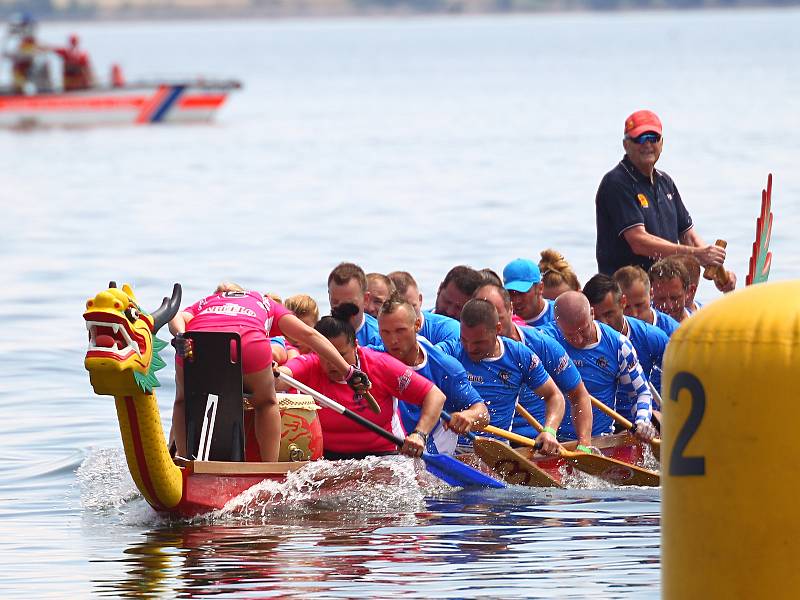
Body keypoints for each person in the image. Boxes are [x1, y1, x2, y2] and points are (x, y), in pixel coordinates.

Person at [168, 283, 371, 462]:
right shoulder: (266, 303)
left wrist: (180, 335)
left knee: (184, 400)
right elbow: (310, 335)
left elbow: (175, 314)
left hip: (195, 344)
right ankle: (268, 472)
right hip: (247, 346)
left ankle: (185, 463)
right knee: (265, 403)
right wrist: (348, 371)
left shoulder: (205, 302)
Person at [595, 109, 736, 293]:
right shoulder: (616, 183)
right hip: (626, 295)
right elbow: (639, 241)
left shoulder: (665, 182)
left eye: (653, 138)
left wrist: (718, 272)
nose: (647, 144)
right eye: (640, 138)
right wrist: (699, 255)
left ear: (662, 143)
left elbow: (690, 237)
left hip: (664, 292)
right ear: (626, 145)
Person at [277, 315, 446, 460]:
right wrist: (268, 370)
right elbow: (279, 379)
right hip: (327, 458)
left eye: (340, 355)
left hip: (384, 455)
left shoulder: (380, 365)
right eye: (325, 355)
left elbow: (435, 396)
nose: (332, 363)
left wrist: (420, 434)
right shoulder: (309, 364)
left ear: (356, 346)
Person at [472, 282, 593, 450]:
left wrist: (584, 446)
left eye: (497, 318)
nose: (490, 328)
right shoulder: (465, 349)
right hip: (486, 443)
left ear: (511, 310)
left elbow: (579, 396)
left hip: (536, 442)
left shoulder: (540, 344)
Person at [437, 299, 564, 455]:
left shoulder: (518, 355)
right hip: (451, 448)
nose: (470, 348)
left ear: (497, 329)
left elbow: (554, 396)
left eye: (479, 342)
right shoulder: (449, 351)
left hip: (496, 451)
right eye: (464, 340)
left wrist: (550, 431)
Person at [376, 294, 489, 454]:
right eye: (385, 332)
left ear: (416, 325)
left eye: (400, 331)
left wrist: (469, 416)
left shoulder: (444, 367)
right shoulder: (374, 359)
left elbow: (483, 413)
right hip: (392, 453)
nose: (393, 340)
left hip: (432, 457)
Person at [539, 292, 657, 441]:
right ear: (557, 324)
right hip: (554, 440)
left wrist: (642, 421)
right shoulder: (545, 340)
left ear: (592, 313)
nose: (578, 339)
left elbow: (640, 393)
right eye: (570, 335)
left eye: (583, 330)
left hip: (600, 440)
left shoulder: (618, 345)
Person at [582, 274, 669, 415]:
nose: (603, 323)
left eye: (609, 314)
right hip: (598, 423)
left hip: (639, 421)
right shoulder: (578, 340)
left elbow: (684, 375)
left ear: (623, 302)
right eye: (595, 318)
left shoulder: (650, 337)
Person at [387, 270, 460, 344]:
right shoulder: (376, 332)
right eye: (394, 309)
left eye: (412, 307)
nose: (405, 316)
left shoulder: (451, 329)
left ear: (420, 299)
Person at [613, 265, 680, 338]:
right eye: (626, 307)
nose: (634, 314)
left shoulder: (673, 331)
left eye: (639, 305)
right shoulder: (608, 331)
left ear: (651, 294)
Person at [327, 262, 382, 347]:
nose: (341, 309)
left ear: (365, 299)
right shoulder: (322, 334)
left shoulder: (379, 338)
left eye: (348, 304)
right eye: (335, 302)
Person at [502, 258, 555, 327]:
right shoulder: (500, 319)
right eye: (510, 293)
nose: (516, 300)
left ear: (540, 288)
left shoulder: (559, 314)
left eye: (522, 292)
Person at [649, 257, 691, 324]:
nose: (669, 306)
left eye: (674, 298)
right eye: (661, 299)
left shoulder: (702, 321)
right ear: (650, 294)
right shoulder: (641, 328)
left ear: (688, 292)